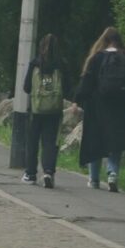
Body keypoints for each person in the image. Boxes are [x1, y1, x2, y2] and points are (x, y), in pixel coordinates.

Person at [75, 26, 125, 192]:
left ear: (103, 41)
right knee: (115, 141)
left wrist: (77, 100)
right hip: (121, 107)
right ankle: (112, 174)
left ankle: (94, 179)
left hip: (97, 105)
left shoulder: (96, 58)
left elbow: (86, 82)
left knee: (95, 140)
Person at [22, 34, 72, 188]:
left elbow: (26, 87)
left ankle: (30, 173)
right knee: (50, 142)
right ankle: (48, 172)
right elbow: (68, 87)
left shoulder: (35, 63)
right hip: (54, 110)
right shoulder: (61, 65)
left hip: (36, 109)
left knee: (32, 142)